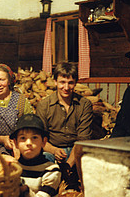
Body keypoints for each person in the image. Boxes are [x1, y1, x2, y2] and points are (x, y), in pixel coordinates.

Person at [36, 62, 93, 190]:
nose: (66, 87)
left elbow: (83, 139)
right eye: (62, 82)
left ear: (75, 83)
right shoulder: (44, 105)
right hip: (52, 149)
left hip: (76, 149)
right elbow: (41, 138)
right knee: (44, 160)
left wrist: (69, 164)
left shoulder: (84, 104)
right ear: (55, 82)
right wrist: (54, 150)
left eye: (70, 83)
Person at [10, 114, 61, 197]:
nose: (29, 143)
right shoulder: (14, 168)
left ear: (43, 142)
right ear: (16, 143)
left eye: (34, 137)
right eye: (23, 138)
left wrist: (25, 190)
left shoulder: (51, 170)